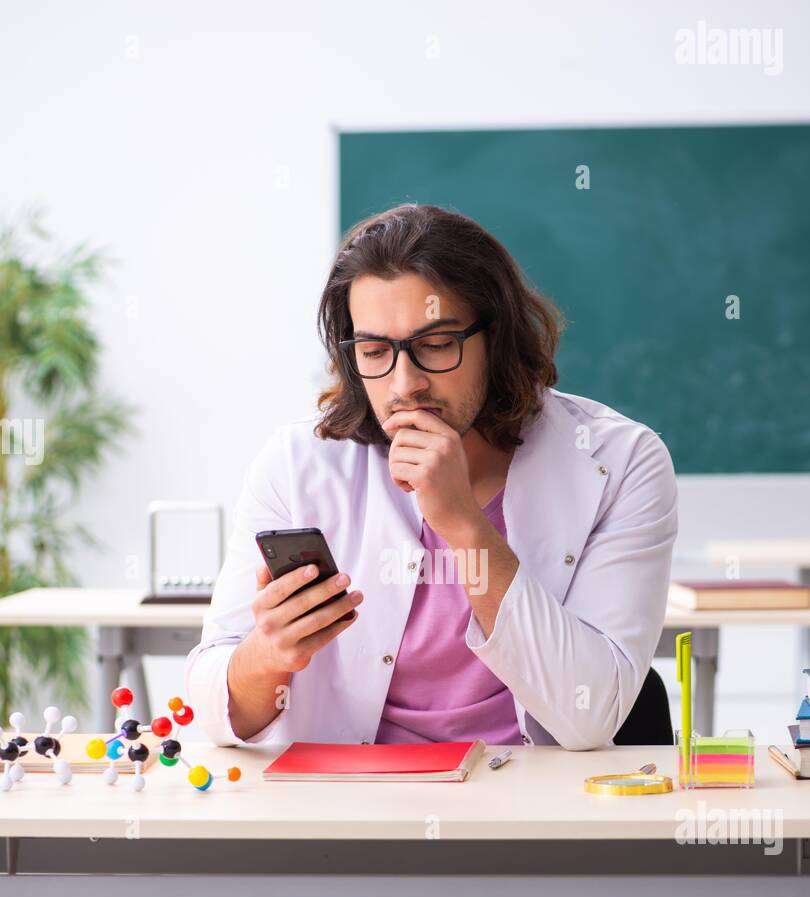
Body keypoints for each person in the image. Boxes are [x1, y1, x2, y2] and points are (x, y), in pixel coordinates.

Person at [185, 203, 677, 750]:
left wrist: (464, 524)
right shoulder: (298, 463)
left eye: (437, 344)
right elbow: (211, 709)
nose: (404, 384)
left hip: (530, 803)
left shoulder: (621, 460)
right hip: (352, 809)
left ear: (499, 335)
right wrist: (268, 655)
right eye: (374, 351)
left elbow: (592, 715)